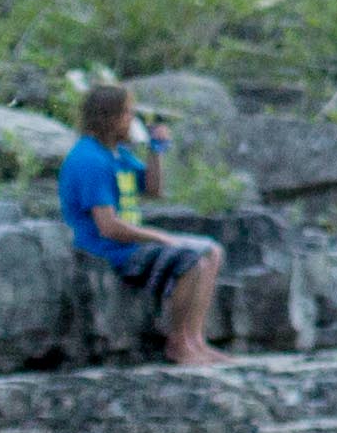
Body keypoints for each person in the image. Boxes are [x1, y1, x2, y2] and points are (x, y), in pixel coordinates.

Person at [59, 80, 226, 368]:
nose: (132, 120)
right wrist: (160, 238)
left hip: (127, 245)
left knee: (213, 252)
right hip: (105, 251)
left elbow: (153, 190)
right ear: (108, 118)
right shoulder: (90, 160)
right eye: (127, 114)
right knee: (190, 260)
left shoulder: (117, 154)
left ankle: (195, 341)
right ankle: (177, 344)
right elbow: (108, 228)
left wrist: (155, 150)